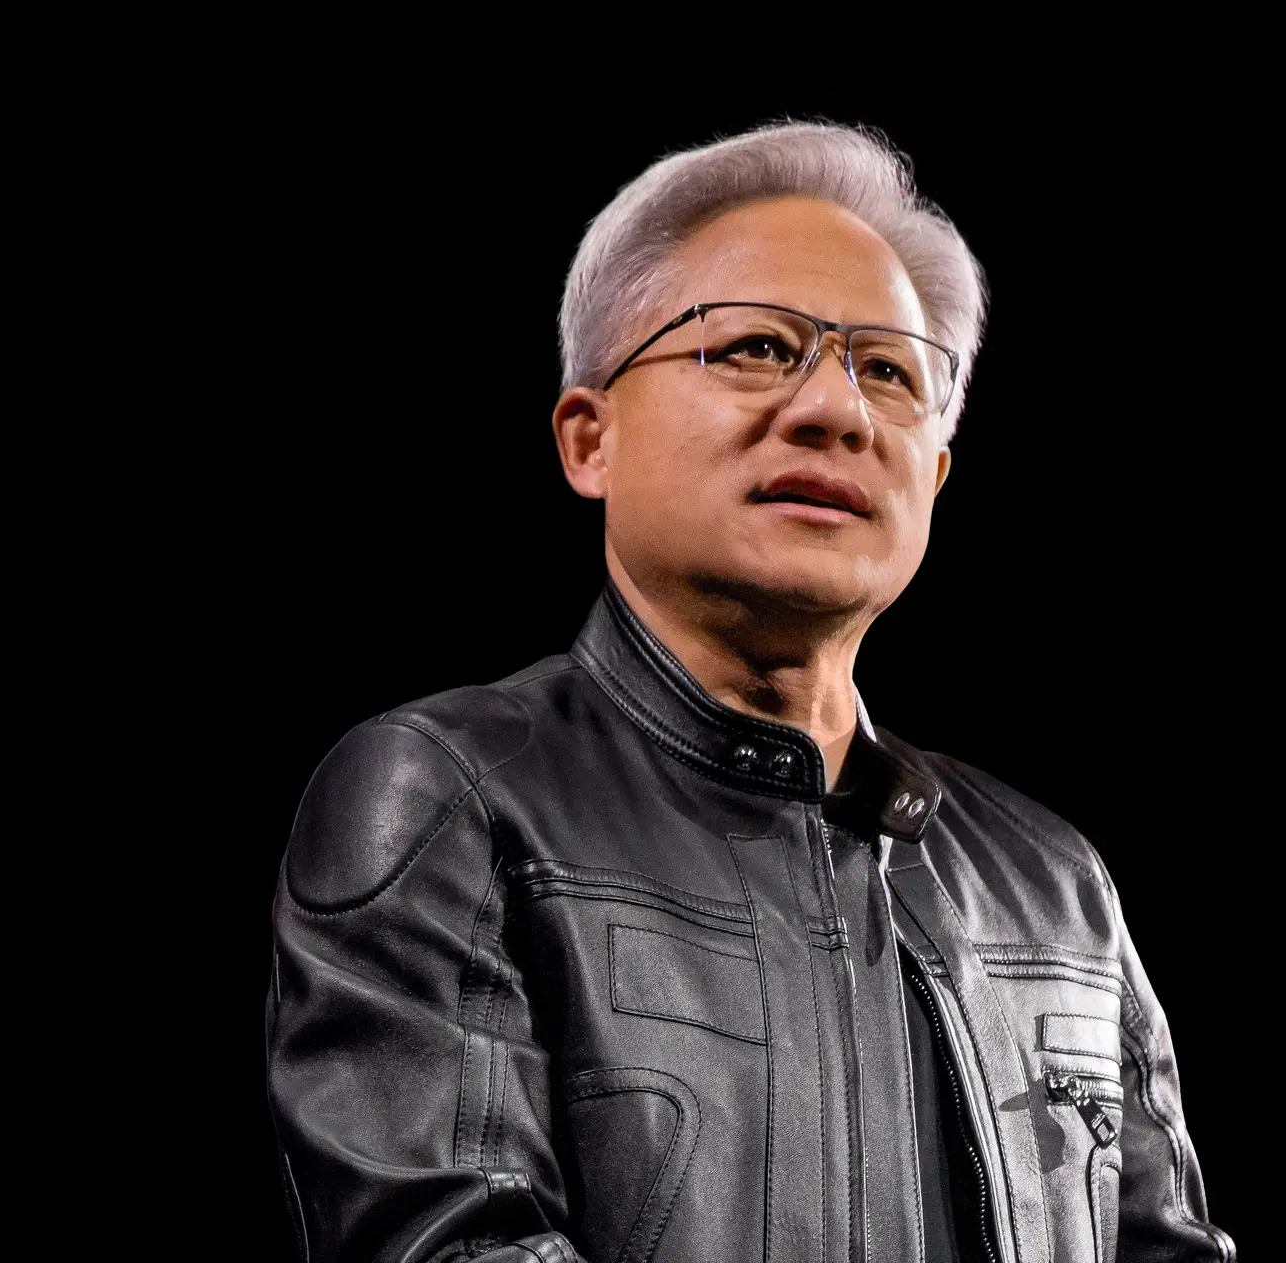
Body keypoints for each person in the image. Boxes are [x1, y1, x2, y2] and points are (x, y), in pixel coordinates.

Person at [266, 122, 1234, 1263]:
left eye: (889, 372)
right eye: (758, 347)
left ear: (932, 474)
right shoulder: (449, 800)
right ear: (590, 439)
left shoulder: (1054, 885)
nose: (836, 410)